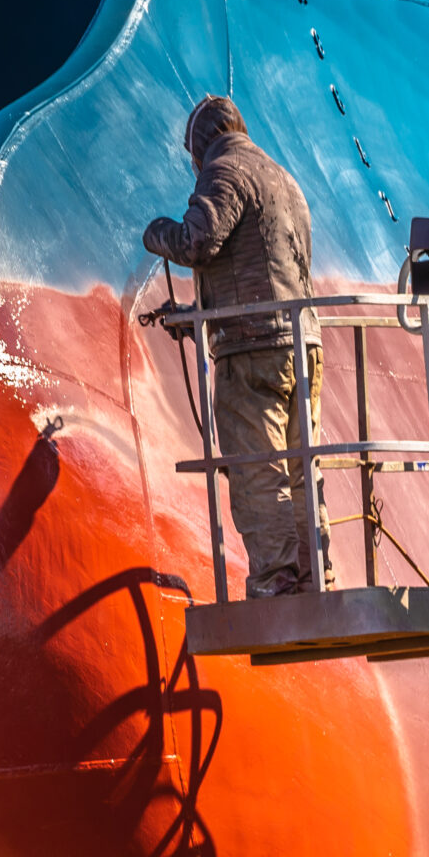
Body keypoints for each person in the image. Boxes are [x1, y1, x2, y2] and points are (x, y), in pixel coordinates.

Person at [144, 95, 327, 598]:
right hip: (303, 343)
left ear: (201, 146)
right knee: (302, 465)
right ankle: (315, 575)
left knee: (256, 469)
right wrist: (195, 317)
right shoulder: (283, 178)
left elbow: (197, 243)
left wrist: (157, 233)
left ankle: (276, 582)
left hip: (253, 349)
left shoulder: (224, 168)